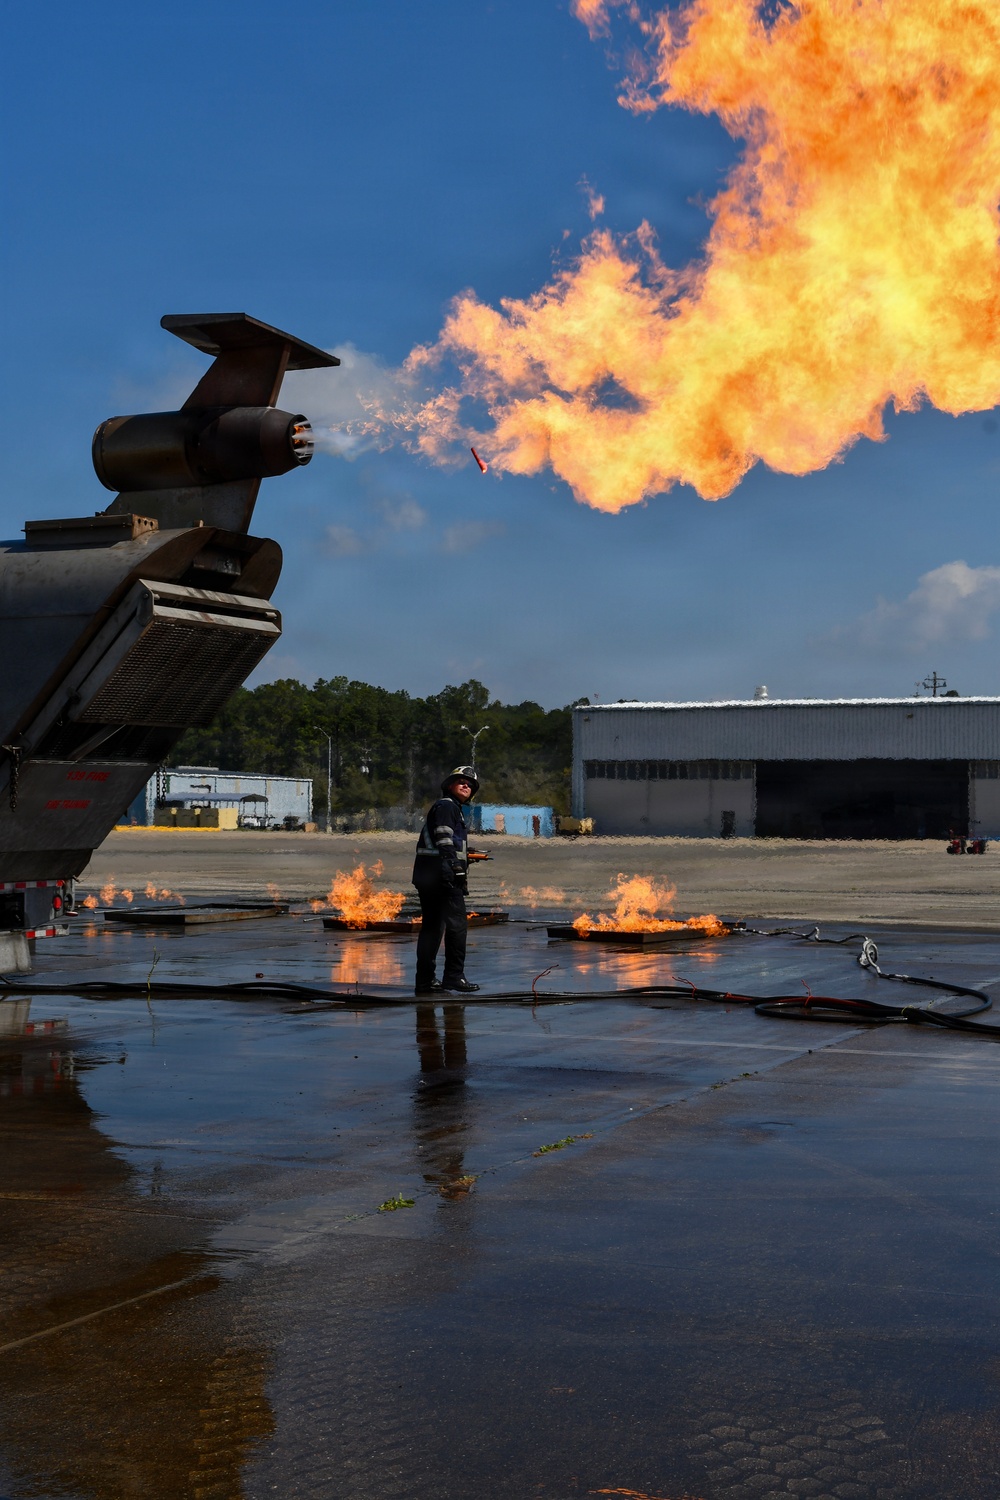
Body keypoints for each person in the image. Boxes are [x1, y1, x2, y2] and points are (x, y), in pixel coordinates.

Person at [412, 766, 483, 995]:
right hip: (442, 878)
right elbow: (444, 838)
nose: (466, 786)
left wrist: (466, 855)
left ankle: (425, 981)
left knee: (432, 929)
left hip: (428, 875)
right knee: (457, 927)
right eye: (461, 781)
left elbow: (442, 842)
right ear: (449, 785)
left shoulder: (448, 807)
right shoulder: (447, 806)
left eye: (470, 784)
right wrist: (455, 867)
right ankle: (453, 977)